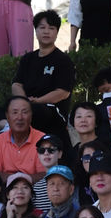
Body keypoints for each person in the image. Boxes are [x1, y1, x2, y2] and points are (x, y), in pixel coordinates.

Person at [12, 9, 75, 143]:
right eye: (42, 27)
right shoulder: (28, 59)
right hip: (28, 106)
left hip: (51, 110)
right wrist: (24, 102)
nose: (46, 32)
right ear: (36, 30)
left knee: (36, 111)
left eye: (51, 28)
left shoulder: (63, 60)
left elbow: (62, 93)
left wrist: (37, 101)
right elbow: (16, 84)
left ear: (57, 32)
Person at [0, 97, 44, 182]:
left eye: (24, 112)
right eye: (15, 112)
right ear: (7, 116)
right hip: (5, 188)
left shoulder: (43, 140)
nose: (20, 117)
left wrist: (18, 181)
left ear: (31, 115)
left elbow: (44, 174)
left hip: (35, 189)